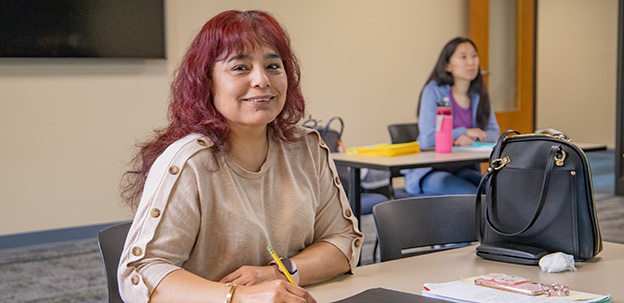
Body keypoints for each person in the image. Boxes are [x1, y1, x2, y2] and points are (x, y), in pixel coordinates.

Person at [117, 10, 363, 303]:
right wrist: (240, 297)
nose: (261, 80)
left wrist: (279, 273)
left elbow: (344, 242)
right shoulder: (188, 162)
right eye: (240, 68)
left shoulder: (306, 148)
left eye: (273, 66)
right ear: (207, 82)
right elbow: (141, 274)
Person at [404, 37, 500, 195]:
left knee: (497, 193)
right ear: (448, 65)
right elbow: (428, 139)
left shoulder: (478, 94)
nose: (471, 62)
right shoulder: (433, 91)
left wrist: (473, 139)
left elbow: (494, 132)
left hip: (463, 168)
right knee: (472, 197)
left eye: (474, 56)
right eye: (463, 57)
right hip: (429, 171)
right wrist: (465, 132)